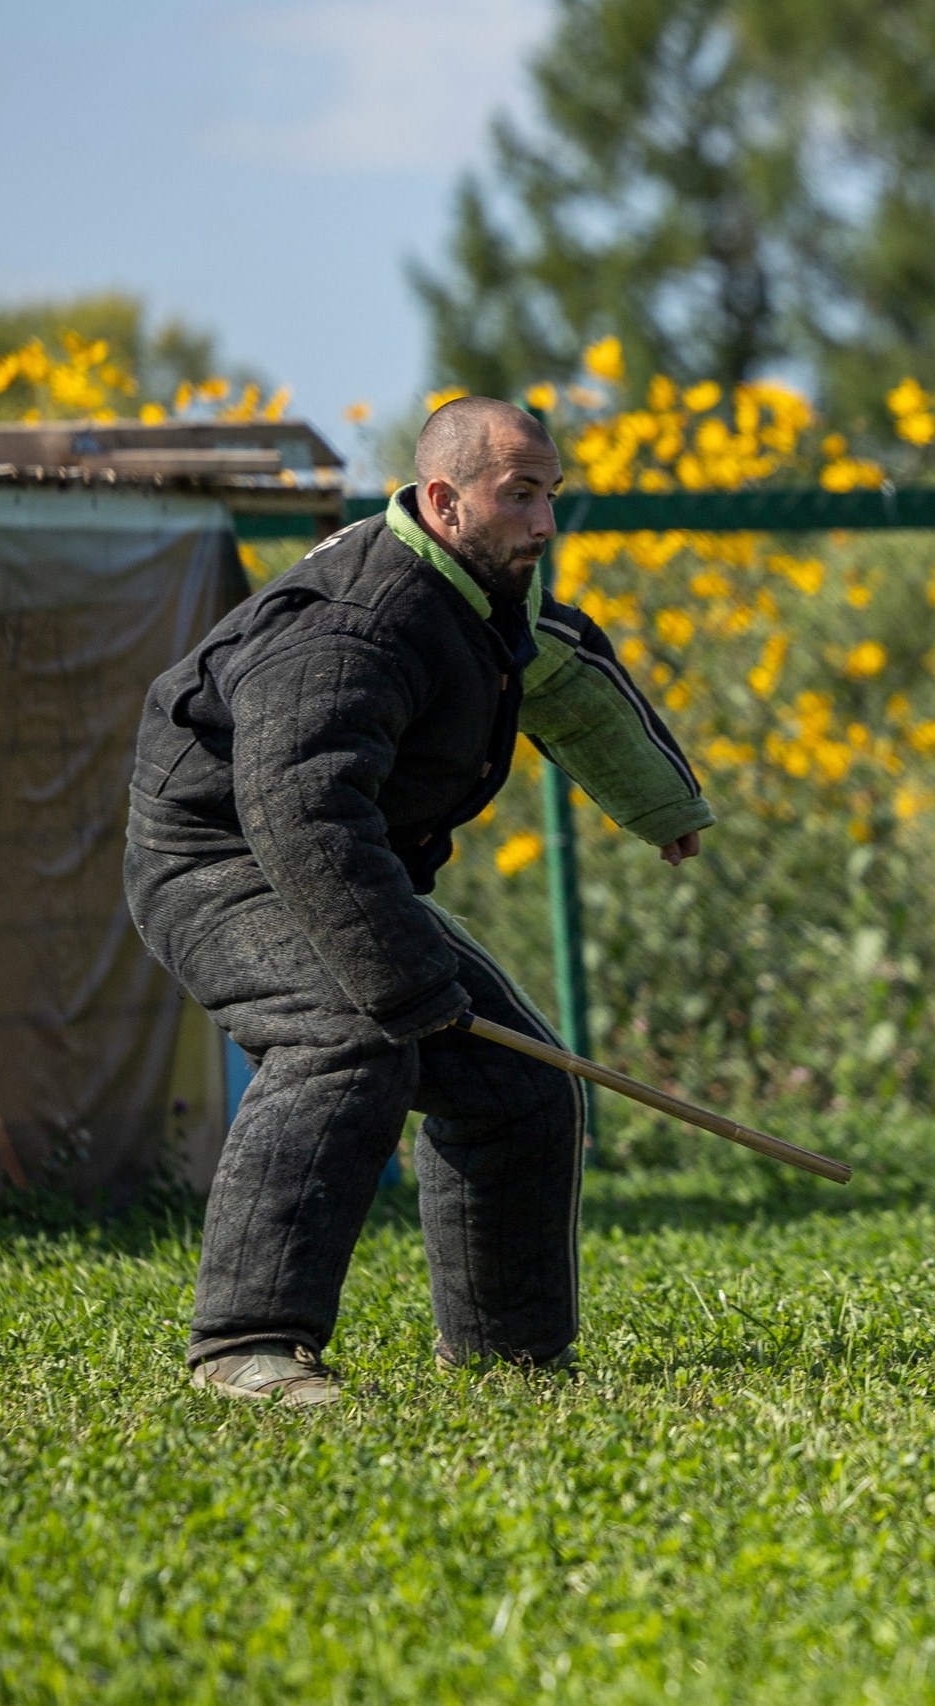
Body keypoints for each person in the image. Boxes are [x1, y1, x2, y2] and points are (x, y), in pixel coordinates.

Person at [125, 396, 713, 1406]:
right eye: (518, 495)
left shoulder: (485, 594)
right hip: (221, 854)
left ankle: (509, 1358)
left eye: (549, 495)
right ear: (444, 501)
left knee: (521, 1089)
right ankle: (247, 1347)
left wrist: (660, 803)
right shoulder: (358, 626)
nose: (543, 522)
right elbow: (298, 803)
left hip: (337, 855)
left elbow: (563, 675)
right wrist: (401, 979)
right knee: (347, 1036)